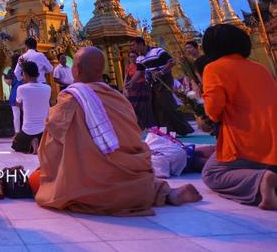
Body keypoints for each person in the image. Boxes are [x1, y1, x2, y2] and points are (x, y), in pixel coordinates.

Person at [29, 46, 202, 215]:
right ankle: (160, 192)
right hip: (136, 178)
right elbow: (133, 137)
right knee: (120, 173)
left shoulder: (69, 99)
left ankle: (108, 191)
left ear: (77, 69)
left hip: (92, 182)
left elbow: (51, 148)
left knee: (36, 179)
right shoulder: (118, 98)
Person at [197, 24, 277, 210]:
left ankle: (260, 181)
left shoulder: (214, 68)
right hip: (273, 142)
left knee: (212, 173)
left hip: (248, 144)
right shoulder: (260, 68)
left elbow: (214, 112)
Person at [128, 37, 193, 136]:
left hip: (163, 81)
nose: (132, 48)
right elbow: (139, 71)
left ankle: (183, 129)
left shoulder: (157, 51)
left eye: (134, 45)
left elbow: (171, 62)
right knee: (156, 107)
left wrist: (161, 72)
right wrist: (131, 82)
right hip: (151, 83)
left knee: (167, 104)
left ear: (141, 43)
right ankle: (166, 131)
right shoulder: (140, 58)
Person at [12, 61, 50, 154]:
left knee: (15, 145)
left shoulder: (21, 88)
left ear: (26, 75)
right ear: (38, 74)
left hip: (28, 130)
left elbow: (17, 103)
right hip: (44, 130)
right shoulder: (47, 88)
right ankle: (39, 142)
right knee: (47, 141)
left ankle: (32, 143)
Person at [124, 51, 156, 129]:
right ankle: (139, 126)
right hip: (133, 88)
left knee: (144, 107)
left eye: (134, 56)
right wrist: (124, 89)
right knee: (134, 108)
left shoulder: (142, 64)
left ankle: (148, 126)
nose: (132, 58)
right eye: (130, 57)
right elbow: (126, 78)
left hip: (143, 87)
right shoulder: (128, 66)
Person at [4, 54, 23, 134]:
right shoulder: (24, 69)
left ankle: (17, 133)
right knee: (27, 114)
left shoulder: (11, 71)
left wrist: (5, 78)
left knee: (16, 116)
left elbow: (9, 82)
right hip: (24, 92)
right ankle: (27, 133)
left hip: (15, 92)